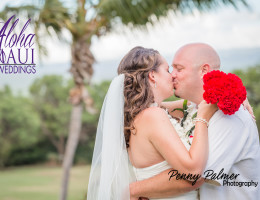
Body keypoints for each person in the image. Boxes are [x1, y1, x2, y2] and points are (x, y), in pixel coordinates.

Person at [129, 43, 260, 200]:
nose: (173, 75)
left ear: (204, 70)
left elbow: (194, 178)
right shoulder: (195, 107)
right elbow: (154, 108)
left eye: (179, 69)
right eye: (170, 69)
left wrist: (135, 189)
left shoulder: (229, 114)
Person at [87, 46, 218, 200]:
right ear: (153, 75)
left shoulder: (145, 115)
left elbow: (191, 104)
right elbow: (193, 172)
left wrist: (235, 97)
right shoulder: (152, 116)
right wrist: (202, 117)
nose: (173, 76)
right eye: (168, 70)